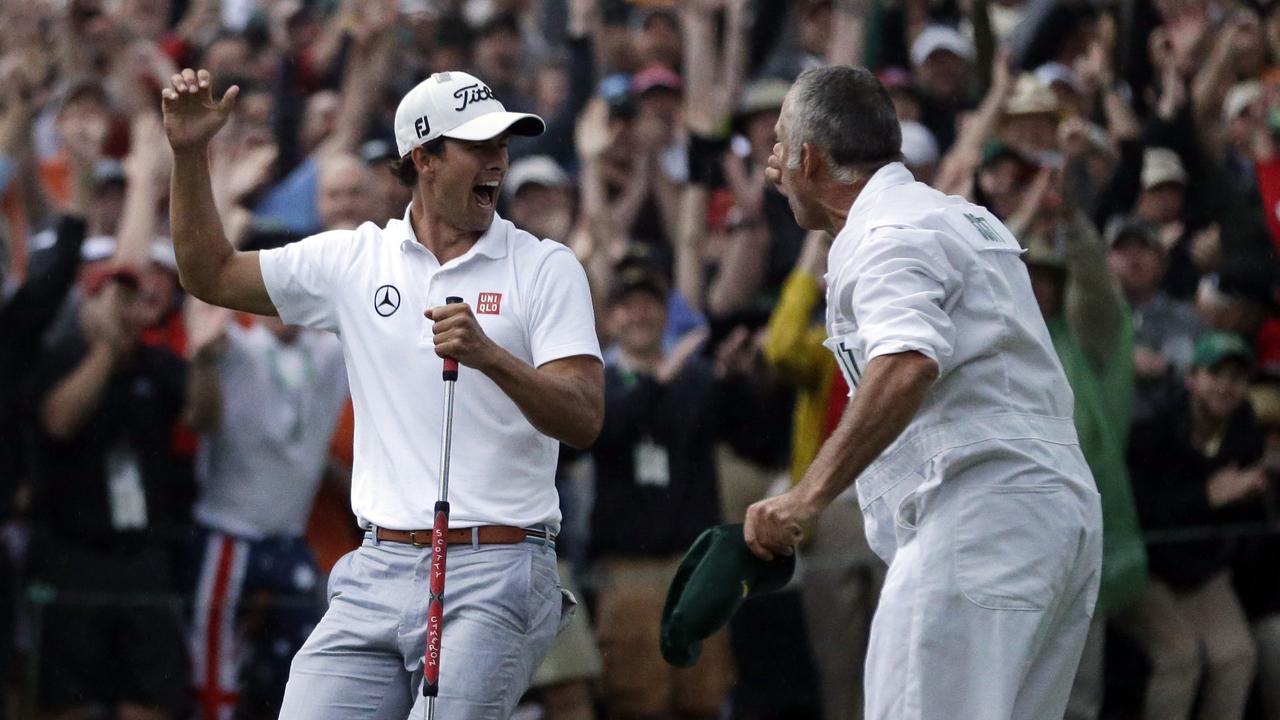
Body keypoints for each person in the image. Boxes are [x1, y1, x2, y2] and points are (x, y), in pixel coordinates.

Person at [161, 67, 604, 719]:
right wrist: (189, 154)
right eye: (477, 147)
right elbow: (209, 272)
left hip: (498, 567)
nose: (497, 163)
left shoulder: (545, 266)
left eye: (503, 146)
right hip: (375, 567)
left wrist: (490, 357)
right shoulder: (352, 261)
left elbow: (585, 416)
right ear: (423, 157)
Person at [742, 66, 1103, 719]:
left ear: (808, 156)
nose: (769, 161)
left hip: (978, 519)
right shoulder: (955, 217)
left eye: (778, 143)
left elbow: (907, 361)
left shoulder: (884, 235)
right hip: (1053, 519)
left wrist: (806, 494)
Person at [182, 296, 349, 720]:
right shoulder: (238, 345)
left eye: (293, 294)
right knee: (214, 674)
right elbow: (205, 334)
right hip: (227, 532)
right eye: (272, 295)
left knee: (298, 675)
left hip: (290, 538)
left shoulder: (329, 352)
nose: (283, 307)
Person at [1116, 331, 1265, 720]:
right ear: (1192, 377)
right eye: (1216, 374)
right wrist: (1207, 496)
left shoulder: (1245, 431)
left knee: (1236, 654)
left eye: (1237, 378)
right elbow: (1136, 509)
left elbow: (1240, 522)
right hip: (1144, 567)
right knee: (1179, 655)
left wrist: (1252, 494)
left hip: (1201, 569)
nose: (1226, 386)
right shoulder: (1153, 426)